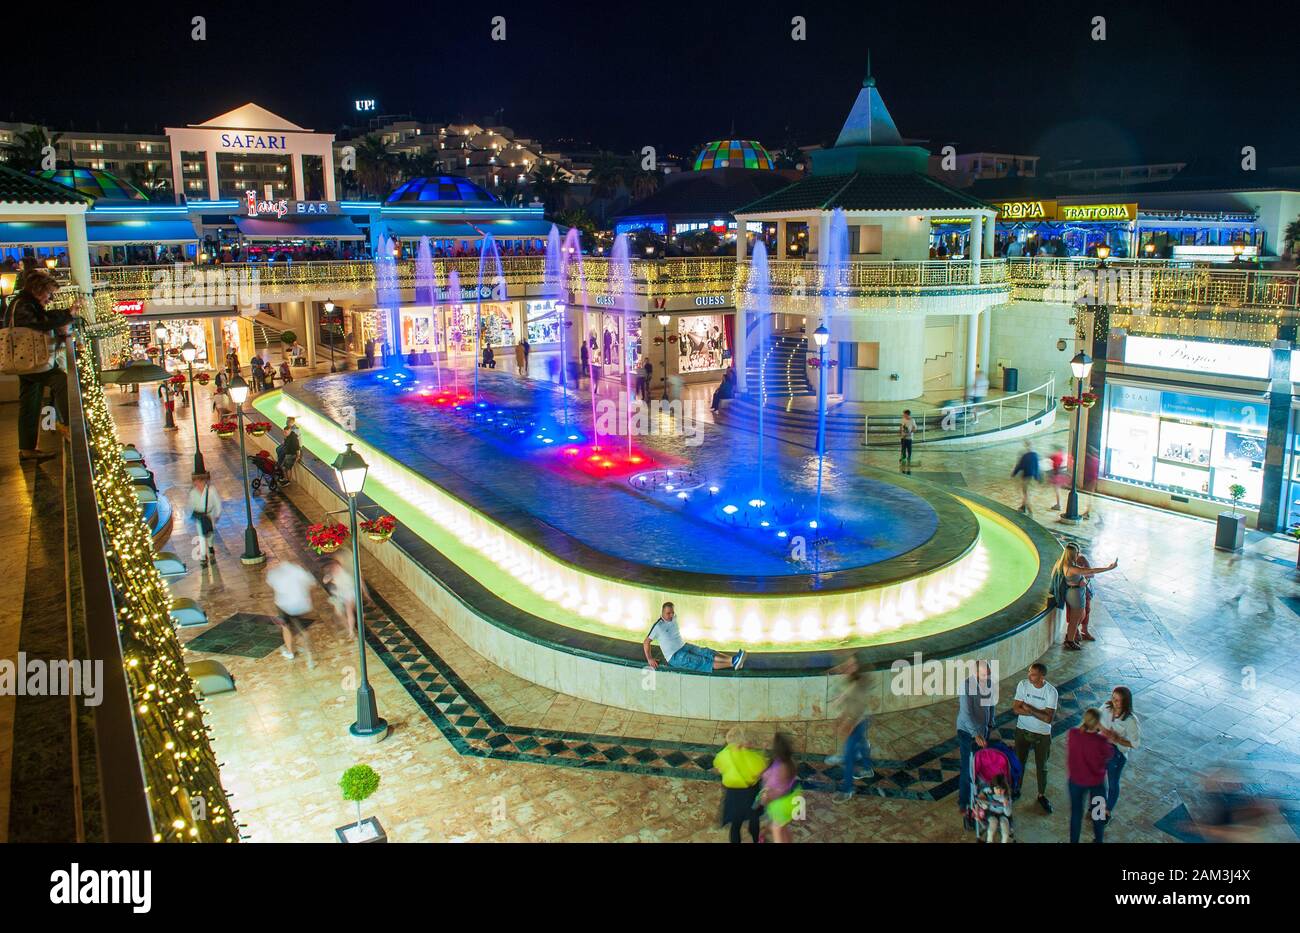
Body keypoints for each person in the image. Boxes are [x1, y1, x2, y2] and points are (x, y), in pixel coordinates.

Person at [9, 269, 75, 462]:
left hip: (26, 361)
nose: (50, 299)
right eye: (49, 294)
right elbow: (40, 323)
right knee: (60, 380)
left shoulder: (22, 304)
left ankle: (27, 448)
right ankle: (73, 426)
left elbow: (40, 320)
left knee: (30, 401)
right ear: (38, 290)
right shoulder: (23, 305)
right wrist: (66, 314)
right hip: (30, 360)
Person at [642, 601, 745, 672]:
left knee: (706, 652)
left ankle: (734, 659)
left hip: (684, 646)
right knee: (702, 662)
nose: (671, 615)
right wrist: (650, 659)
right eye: (668, 613)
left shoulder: (674, 617)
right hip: (674, 657)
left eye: (672, 612)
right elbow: (646, 642)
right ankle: (733, 664)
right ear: (662, 613)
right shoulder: (658, 626)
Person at [1012, 662, 1057, 813]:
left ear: (1042, 677)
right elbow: (1016, 709)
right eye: (1029, 672)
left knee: (1041, 766)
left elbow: (1048, 719)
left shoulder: (1051, 692)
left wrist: (1029, 709)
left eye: (1033, 674)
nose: (1029, 676)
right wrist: (1039, 713)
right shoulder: (1023, 685)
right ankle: (1016, 789)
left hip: (1042, 734)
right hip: (1022, 729)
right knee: (1019, 762)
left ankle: (1041, 795)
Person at [829, 656, 875, 803]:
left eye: (851, 665)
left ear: (857, 667)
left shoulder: (859, 685)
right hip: (854, 719)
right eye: (846, 664)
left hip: (858, 721)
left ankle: (847, 790)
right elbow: (845, 698)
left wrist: (847, 725)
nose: (847, 667)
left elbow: (859, 711)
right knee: (861, 743)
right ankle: (867, 769)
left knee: (849, 756)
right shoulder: (849, 680)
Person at [956, 659, 995, 828]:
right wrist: (975, 734)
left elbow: (991, 704)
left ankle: (980, 801)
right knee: (968, 769)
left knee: (981, 768)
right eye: (984, 674)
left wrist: (991, 722)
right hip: (967, 732)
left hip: (983, 730)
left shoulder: (989, 683)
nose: (987, 677)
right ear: (975, 673)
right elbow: (965, 714)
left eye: (988, 674)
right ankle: (964, 805)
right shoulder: (966, 687)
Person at [1066, 708, 1114, 843]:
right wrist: (1104, 733)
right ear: (1098, 723)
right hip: (1096, 783)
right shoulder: (1101, 742)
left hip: (1076, 781)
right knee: (1098, 815)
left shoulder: (1073, 734)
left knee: (1076, 814)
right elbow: (1109, 754)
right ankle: (1098, 840)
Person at [1056, 544, 1117, 650]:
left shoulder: (1062, 563)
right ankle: (1070, 641)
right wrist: (1108, 568)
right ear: (1073, 554)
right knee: (1075, 619)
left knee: (1079, 616)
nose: (1078, 554)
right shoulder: (1072, 568)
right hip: (1075, 596)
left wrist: (1081, 580)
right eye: (1077, 553)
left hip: (1073, 593)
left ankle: (1071, 637)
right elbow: (1091, 571)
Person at [712, 727, 767, 844]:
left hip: (734, 796)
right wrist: (761, 751)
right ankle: (756, 838)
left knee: (735, 826)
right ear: (744, 743)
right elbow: (761, 772)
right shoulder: (754, 758)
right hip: (751, 794)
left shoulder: (723, 755)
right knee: (754, 819)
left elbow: (718, 768)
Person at [1097, 686, 1140, 821]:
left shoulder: (1130, 721)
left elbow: (1135, 744)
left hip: (1117, 753)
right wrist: (1104, 730)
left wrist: (1118, 739)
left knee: (1112, 782)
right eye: (1113, 698)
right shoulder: (1106, 707)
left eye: (1117, 700)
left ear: (1125, 702)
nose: (1113, 702)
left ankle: (1107, 811)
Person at [265, 560, 317, 666]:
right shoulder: (298, 570)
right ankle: (310, 657)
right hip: (300, 605)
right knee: (302, 630)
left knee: (285, 627)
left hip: (284, 605)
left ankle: (290, 652)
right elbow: (312, 583)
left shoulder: (275, 573)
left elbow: (272, 586)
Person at [761, 732, 802, 843]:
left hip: (781, 805)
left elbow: (776, 792)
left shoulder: (778, 771)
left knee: (777, 829)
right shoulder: (791, 763)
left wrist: (766, 798)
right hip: (794, 799)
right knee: (783, 827)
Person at [323, 554, 367, 640]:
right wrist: (329, 578)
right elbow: (325, 580)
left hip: (349, 593)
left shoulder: (345, 573)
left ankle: (351, 630)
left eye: (336, 567)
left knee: (349, 610)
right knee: (339, 613)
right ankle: (350, 626)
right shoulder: (334, 571)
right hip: (341, 594)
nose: (334, 569)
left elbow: (350, 584)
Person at [187, 473, 222, 567]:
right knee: (201, 536)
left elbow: (217, 502)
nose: (196, 483)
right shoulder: (193, 492)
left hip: (210, 516)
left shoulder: (211, 490)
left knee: (210, 534)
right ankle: (203, 556)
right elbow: (190, 505)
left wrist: (217, 514)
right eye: (195, 481)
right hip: (200, 517)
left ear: (203, 481)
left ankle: (210, 546)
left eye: (198, 481)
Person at [1011, 440, 1041, 514]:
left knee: (1026, 494)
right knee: (1027, 493)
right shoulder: (1035, 455)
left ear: (1027, 447)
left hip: (1026, 477)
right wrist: (1037, 477)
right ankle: (1023, 507)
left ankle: (1030, 512)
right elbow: (1037, 467)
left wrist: (1014, 473)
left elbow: (1020, 466)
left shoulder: (1025, 456)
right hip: (1032, 478)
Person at [1048, 445, 1070, 511]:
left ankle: (1058, 505)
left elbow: (1056, 465)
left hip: (1057, 475)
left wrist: (1053, 475)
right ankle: (1058, 504)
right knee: (1058, 490)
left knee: (1057, 490)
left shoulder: (1057, 456)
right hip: (1062, 474)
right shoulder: (1063, 455)